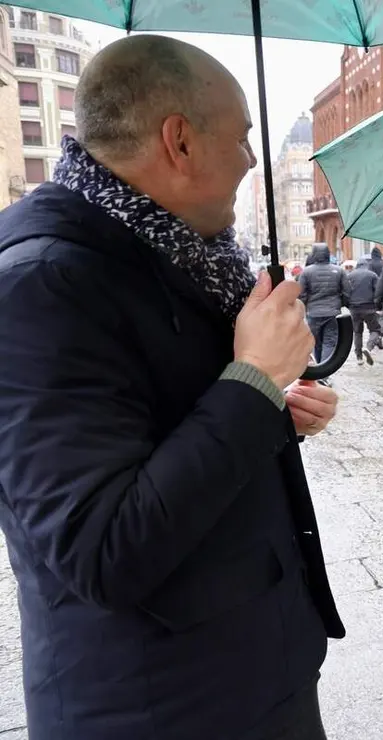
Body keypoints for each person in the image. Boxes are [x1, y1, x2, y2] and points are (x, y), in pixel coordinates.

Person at [0, 35, 345, 740]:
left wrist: (277, 411)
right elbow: (102, 549)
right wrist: (253, 382)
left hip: (252, 674)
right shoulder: (42, 287)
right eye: (244, 136)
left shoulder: (175, 255)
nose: (253, 158)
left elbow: (173, 427)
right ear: (180, 141)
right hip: (161, 706)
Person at [298, 242, 351, 364]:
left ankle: (319, 367)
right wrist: (340, 303)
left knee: (315, 342)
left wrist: (306, 306)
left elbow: (301, 294)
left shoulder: (306, 272)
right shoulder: (339, 271)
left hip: (313, 313)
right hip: (332, 312)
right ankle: (325, 369)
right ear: (328, 254)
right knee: (330, 341)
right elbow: (347, 291)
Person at [347, 255, 382, 366]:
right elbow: (378, 292)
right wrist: (378, 305)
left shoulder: (350, 275)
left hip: (354, 308)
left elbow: (346, 292)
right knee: (376, 330)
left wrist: (349, 305)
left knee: (357, 332)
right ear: (367, 266)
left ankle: (359, 357)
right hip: (369, 307)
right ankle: (369, 347)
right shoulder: (372, 275)